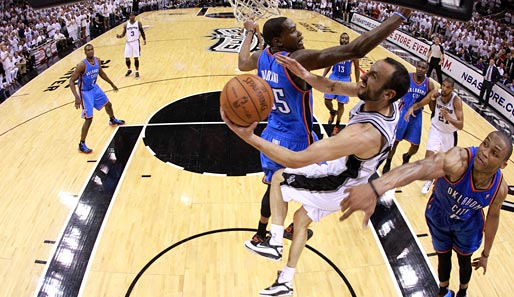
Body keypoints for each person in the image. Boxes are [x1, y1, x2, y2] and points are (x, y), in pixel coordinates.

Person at [223, 54, 410, 296]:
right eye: (368, 70)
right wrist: (306, 75)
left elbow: (296, 159)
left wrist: (249, 137)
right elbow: (333, 86)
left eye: (373, 76)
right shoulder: (383, 100)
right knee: (301, 220)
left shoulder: (365, 134)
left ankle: (274, 242)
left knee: (280, 178)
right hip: (352, 179)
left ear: (388, 94)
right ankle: (286, 282)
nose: (363, 76)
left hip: (339, 182)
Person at [237, 9, 412, 248]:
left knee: (274, 186)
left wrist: (249, 32)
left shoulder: (264, 56)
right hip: (299, 137)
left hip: (272, 132)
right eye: (293, 31)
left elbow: (242, 62)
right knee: (316, 181)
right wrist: (400, 15)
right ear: (278, 40)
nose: (299, 33)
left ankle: (261, 233)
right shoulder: (297, 58)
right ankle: (284, 233)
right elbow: (355, 50)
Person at [340, 131, 511, 297]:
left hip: (468, 223)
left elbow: (493, 217)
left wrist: (486, 254)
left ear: (503, 164)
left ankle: (462, 292)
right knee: (443, 256)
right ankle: (443, 292)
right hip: (440, 212)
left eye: (494, 153)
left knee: (464, 259)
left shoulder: (499, 189)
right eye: (485, 144)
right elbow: (421, 167)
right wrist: (376, 187)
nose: (484, 152)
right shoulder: (459, 161)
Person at [408, 78, 464, 194]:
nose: (444, 88)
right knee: (429, 156)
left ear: (452, 89)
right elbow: (421, 103)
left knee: (446, 162)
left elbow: (461, 125)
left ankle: (442, 183)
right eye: (443, 85)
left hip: (449, 133)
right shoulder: (435, 94)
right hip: (436, 129)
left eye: (448, 87)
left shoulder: (456, 101)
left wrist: (448, 117)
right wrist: (411, 108)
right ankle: (429, 180)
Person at [69, 44, 125, 154]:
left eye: (91, 49)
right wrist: (76, 97)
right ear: (85, 53)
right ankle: (81, 144)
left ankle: (112, 119)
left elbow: (102, 73)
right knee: (89, 119)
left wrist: (112, 83)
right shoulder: (81, 65)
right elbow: (71, 81)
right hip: (85, 92)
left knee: (108, 104)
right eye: (88, 50)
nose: (90, 51)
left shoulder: (97, 60)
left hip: (94, 88)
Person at [382, 60, 434, 173]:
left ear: (426, 70)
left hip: (417, 114)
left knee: (415, 146)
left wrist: (433, 100)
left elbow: (431, 106)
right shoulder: (407, 77)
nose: (420, 69)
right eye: (419, 66)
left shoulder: (429, 84)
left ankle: (407, 156)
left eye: (423, 68)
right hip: (403, 110)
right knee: (396, 141)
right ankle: (388, 162)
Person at [322, 32, 360, 136]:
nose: (344, 39)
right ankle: (332, 112)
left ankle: (337, 125)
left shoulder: (352, 53)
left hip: (345, 79)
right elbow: (329, 64)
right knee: (327, 100)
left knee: (341, 104)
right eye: (342, 37)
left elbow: (357, 68)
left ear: (348, 40)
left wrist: (357, 83)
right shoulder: (335, 51)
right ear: (340, 39)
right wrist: (324, 75)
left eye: (346, 38)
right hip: (334, 76)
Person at [116, 12, 146, 78]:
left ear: (135, 16)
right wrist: (119, 36)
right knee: (127, 57)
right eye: (130, 16)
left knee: (136, 57)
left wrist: (144, 39)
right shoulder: (126, 24)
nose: (131, 17)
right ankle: (129, 70)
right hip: (128, 43)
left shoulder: (138, 23)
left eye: (132, 16)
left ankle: (137, 71)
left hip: (135, 42)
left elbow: (142, 31)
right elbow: (123, 34)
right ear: (129, 17)